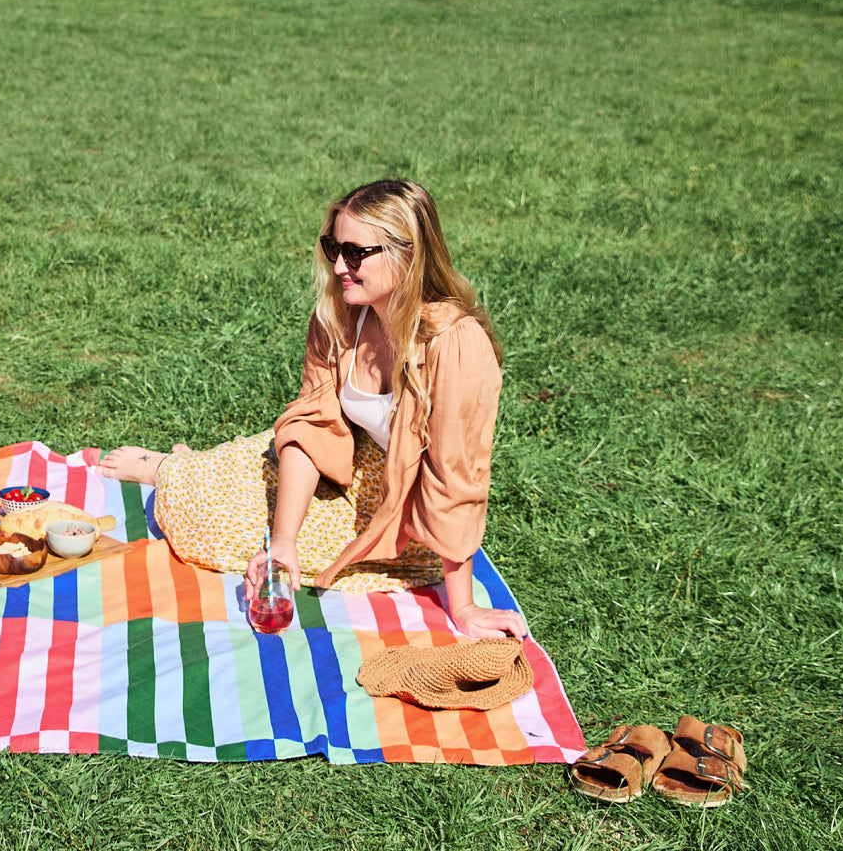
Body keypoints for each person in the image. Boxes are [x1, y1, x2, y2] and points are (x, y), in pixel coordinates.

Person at [99, 179, 528, 641]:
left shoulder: (456, 345)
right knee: (246, 523)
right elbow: (312, 424)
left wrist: (461, 605)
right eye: (333, 247)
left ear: (409, 253)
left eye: (357, 253)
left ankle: (177, 469)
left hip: (408, 503)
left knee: (210, 530)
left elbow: (453, 474)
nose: (340, 265)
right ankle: (178, 468)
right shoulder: (342, 314)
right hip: (344, 461)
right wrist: (283, 542)